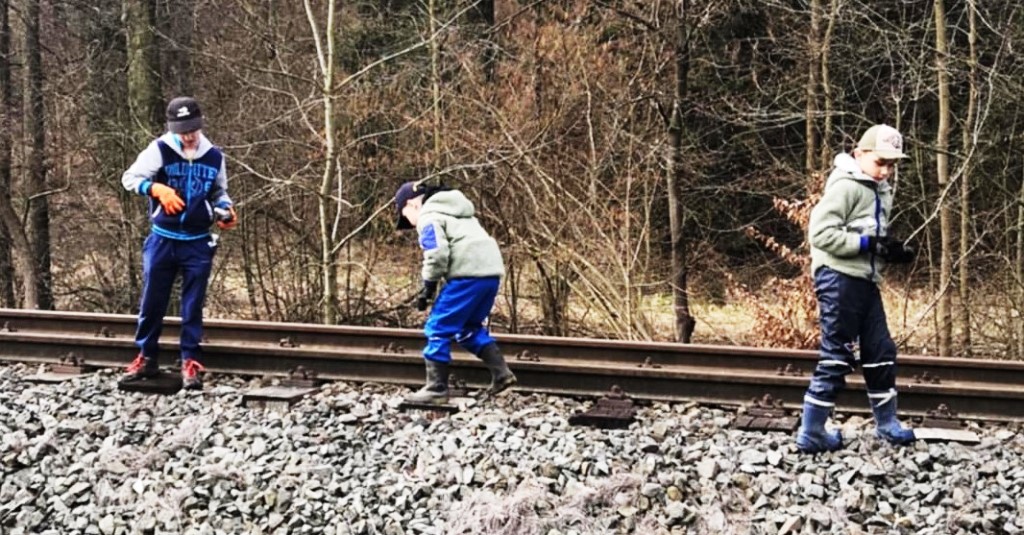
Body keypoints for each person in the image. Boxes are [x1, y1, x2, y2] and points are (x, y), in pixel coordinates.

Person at [797, 123, 917, 453]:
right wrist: (868, 244)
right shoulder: (846, 187)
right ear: (859, 154)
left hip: (866, 281)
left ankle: (887, 423)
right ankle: (812, 431)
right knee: (838, 354)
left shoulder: (879, 189)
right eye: (880, 162)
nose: (886, 171)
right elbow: (820, 234)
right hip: (838, 278)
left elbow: (869, 236)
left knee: (880, 350)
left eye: (891, 165)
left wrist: (888, 250)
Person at [118, 96, 237, 390]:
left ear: (200, 125)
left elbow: (219, 192)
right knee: (152, 301)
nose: (188, 136)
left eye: (192, 129)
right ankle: (146, 357)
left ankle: (190, 361)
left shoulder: (214, 156)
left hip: (197, 241)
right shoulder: (159, 150)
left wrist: (225, 210)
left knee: (193, 305)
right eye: (182, 131)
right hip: (163, 238)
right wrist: (156, 188)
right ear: (172, 128)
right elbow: (130, 178)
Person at [394, 180, 517, 403]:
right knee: (468, 328)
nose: (410, 224)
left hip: (466, 277)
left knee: (437, 327)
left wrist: (428, 286)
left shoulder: (429, 216)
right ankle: (502, 374)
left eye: (405, 217)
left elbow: (437, 254)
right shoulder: (463, 214)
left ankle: (436, 389)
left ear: (411, 204)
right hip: (490, 276)